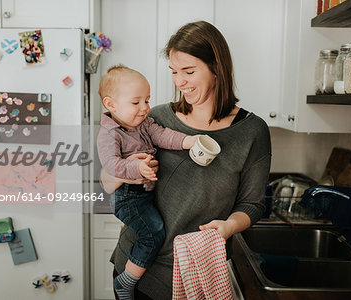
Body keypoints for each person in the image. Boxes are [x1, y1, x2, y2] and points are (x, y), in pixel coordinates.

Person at [102, 20, 272, 300]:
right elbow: (107, 179)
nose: (179, 81)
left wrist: (229, 226)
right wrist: (130, 172)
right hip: (137, 271)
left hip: (196, 274)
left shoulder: (252, 131)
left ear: (216, 68)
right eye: (173, 71)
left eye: (189, 71)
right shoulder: (153, 118)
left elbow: (252, 204)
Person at [96, 65, 199, 300]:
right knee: (153, 234)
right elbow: (111, 166)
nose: (144, 108)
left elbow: (163, 136)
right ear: (111, 105)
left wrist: (189, 141)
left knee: (153, 231)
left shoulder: (144, 124)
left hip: (143, 194)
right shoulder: (110, 134)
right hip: (128, 198)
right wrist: (137, 167)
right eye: (136, 102)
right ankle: (126, 281)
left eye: (147, 100)